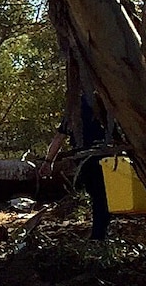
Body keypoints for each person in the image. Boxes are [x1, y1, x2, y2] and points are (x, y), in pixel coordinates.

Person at [39, 92, 111, 240]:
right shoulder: (106, 103)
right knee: (103, 197)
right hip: (106, 158)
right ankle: (100, 234)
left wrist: (48, 162)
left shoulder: (76, 109)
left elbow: (59, 137)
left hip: (87, 159)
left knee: (98, 197)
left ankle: (100, 235)